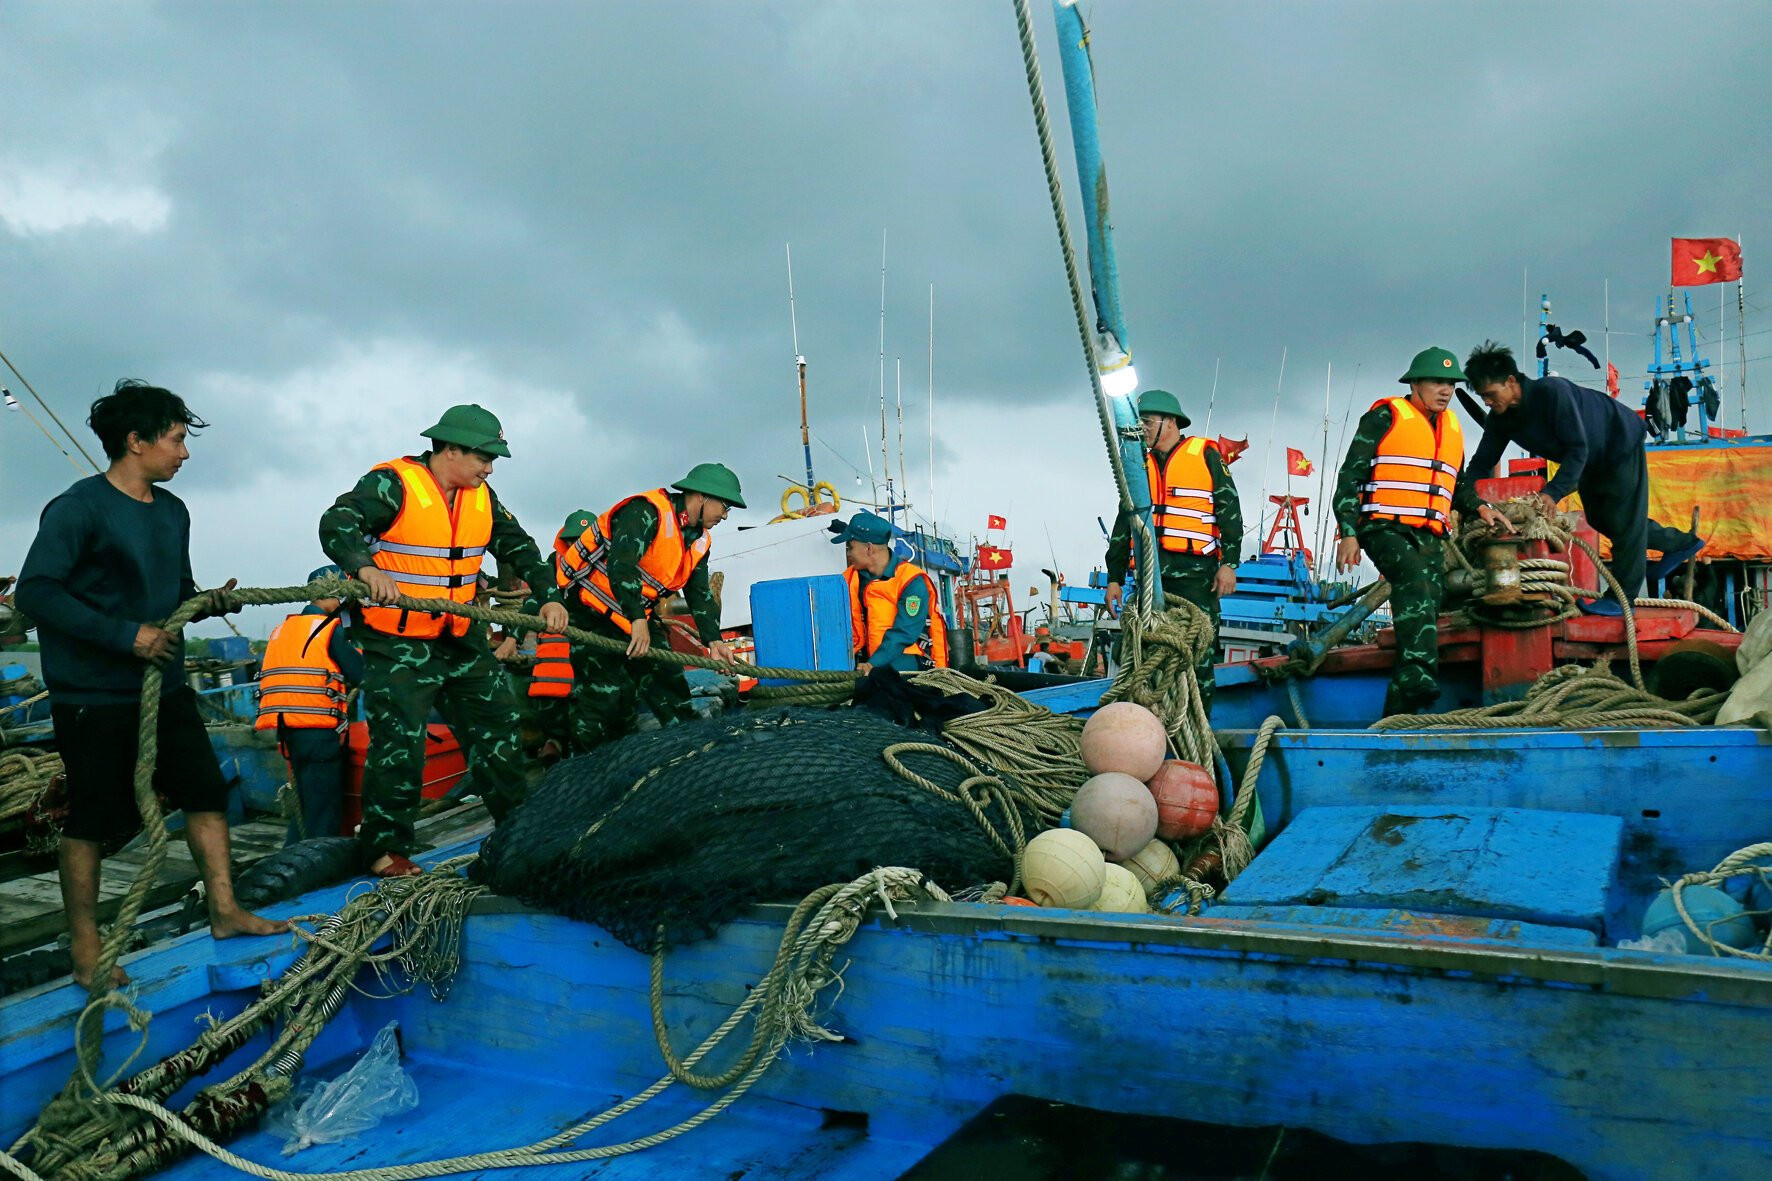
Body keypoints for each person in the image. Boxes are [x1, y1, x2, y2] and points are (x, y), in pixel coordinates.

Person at [16, 380, 287, 987]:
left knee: (206, 794)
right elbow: (36, 592)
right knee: (91, 818)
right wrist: (125, 636)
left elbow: (175, 594)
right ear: (135, 443)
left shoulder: (173, 512)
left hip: (164, 690)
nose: (184, 454)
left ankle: (225, 910)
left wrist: (206, 602)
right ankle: (87, 948)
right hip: (93, 696)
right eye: (176, 440)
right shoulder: (77, 508)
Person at [318, 404, 568, 877]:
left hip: (461, 639)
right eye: (482, 457)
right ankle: (384, 849)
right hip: (399, 643)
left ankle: (519, 831)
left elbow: (519, 545)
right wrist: (364, 566)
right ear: (450, 450)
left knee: (499, 727)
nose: (489, 468)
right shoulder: (391, 484)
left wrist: (551, 597)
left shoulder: (483, 497)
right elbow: (336, 523)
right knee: (400, 744)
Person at [1460, 342, 1704, 614]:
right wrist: (1469, 498)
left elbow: (1577, 447)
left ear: (1510, 380)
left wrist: (1552, 493)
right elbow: (1481, 464)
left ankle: (1621, 599)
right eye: (1483, 397)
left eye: (1491, 394)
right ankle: (1681, 543)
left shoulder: (1552, 393)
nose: (1488, 402)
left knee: (1625, 522)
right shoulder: (1500, 418)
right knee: (1601, 518)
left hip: (1618, 441)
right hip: (1588, 459)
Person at [1334, 348, 1511, 716]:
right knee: (1413, 581)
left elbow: (1456, 485)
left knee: (1428, 603)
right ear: (1414, 383)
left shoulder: (1452, 429)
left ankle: (1396, 713)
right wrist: (1348, 532)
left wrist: (1482, 507)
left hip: (1430, 534)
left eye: (1450, 383)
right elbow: (1350, 476)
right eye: (1436, 382)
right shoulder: (1384, 417)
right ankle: (1419, 680)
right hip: (1384, 528)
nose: (1445, 390)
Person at [554, 465, 741, 751]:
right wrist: (638, 620)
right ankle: (583, 767)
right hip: (590, 611)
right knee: (602, 695)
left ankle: (692, 750)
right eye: (725, 506)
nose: (725, 515)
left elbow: (699, 592)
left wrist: (713, 640)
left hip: (633, 615)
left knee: (667, 675)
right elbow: (622, 564)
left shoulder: (701, 540)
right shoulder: (645, 511)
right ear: (702, 496)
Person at [1103, 388, 1243, 711]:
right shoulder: (1139, 466)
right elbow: (1124, 523)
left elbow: (1230, 513)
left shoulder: (1206, 456)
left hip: (1197, 579)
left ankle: (1197, 730)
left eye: (1147, 421)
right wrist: (1114, 578)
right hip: (1150, 579)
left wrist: (1229, 564)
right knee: (1142, 653)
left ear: (1170, 422)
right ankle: (1145, 732)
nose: (1142, 427)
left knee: (1199, 658)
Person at [255, 565, 364, 845]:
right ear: (336, 593)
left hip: (287, 731)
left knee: (303, 806)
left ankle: (291, 858)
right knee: (323, 809)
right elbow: (361, 673)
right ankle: (313, 868)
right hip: (318, 731)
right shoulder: (328, 630)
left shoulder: (283, 629)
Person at [833, 510, 950, 672]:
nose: (848, 553)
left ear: (869, 549)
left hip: (903, 665)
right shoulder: (848, 579)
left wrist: (872, 665)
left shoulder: (911, 581)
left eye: (850, 547)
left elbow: (904, 633)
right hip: (861, 664)